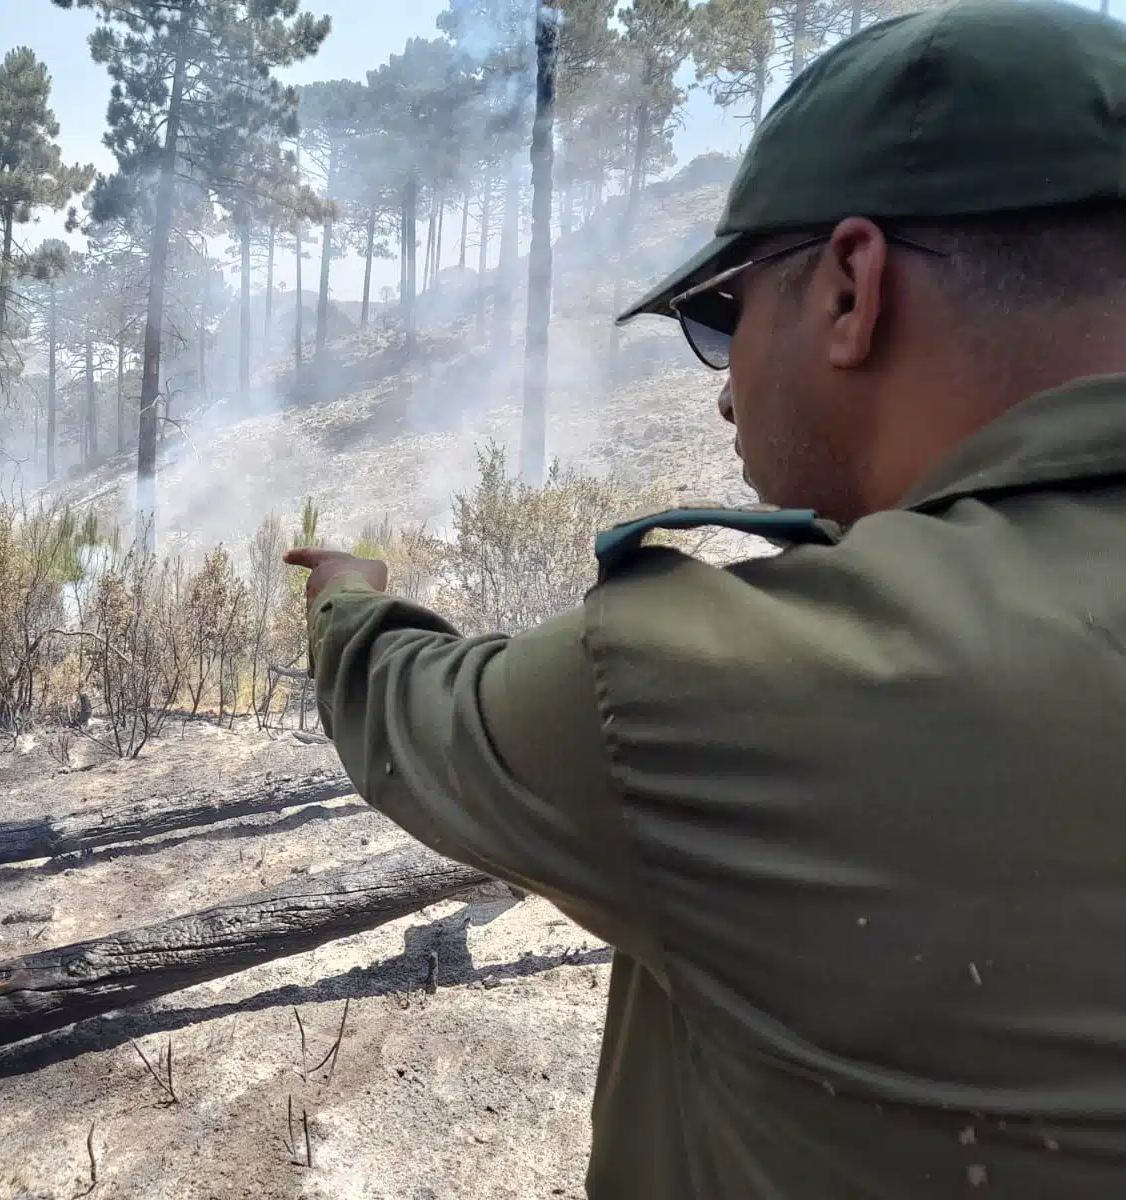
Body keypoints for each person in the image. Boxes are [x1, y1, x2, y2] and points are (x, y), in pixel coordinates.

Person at [285, 2, 1126, 1194]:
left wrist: (349, 598)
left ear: (849, 287)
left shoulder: (722, 681)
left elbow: (415, 715)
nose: (724, 391)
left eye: (720, 314)